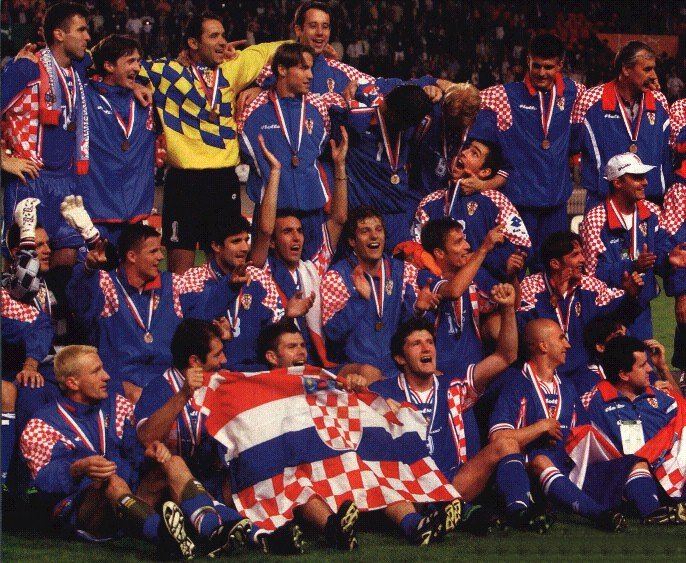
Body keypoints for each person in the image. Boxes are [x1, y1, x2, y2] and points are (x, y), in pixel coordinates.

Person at [257, 319, 463, 546]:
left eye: (302, 345)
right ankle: (334, 530)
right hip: (296, 463)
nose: (301, 351)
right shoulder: (259, 388)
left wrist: (356, 387)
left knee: (376, 469)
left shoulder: (316, 381)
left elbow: (343, 382)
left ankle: (416, 525)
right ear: (272, 357)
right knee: (297, 481)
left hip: (334, 456)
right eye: (291, 347)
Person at [370, 294, 540, 531]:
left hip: (456, 481)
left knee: (507, 444)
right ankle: (459, 513)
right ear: (400, 358)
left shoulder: (454, 386)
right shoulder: (382, 392)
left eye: (430, 342)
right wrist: (358, 386)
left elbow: (505, 356)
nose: (426, 347)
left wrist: (508, 309)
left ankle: (519, 511)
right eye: (416, 344)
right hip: (409, 486)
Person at [135, 319, 301, 555]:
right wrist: (184, 395)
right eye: (217, 354)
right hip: (161, 488)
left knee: (260, 466)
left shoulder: (219, 382)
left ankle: (270, 533)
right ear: (194, 361)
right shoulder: (159, 388)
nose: (224, 360)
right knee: (175, 465)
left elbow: (267, 378)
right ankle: (233, 533)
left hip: (208, 481)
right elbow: (146, 436)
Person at [139, 11, 284, 273]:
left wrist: (262, 84)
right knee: (180, 272)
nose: (222, 42)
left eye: (223, 36)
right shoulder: (167, 71)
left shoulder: (233, 68)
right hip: (184, 182)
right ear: (193, 43)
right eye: (214, 36)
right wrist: (134, 84)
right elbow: (112, 63)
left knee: (225, 267)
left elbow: (280, 50)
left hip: (223, 180)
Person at [19, 345, 196, 558]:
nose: (107, 376)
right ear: (73, 383)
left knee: (172, 462)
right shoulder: (42, 424)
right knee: (108, 480)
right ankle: (168, 538)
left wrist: (149, 452)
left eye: (102, 368)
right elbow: (41, 484)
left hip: (129, 502)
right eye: (96, 371)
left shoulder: (116, 404)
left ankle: (211, 528)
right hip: (83, 513)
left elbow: (133, 449)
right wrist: (76, 469)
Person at [66, 220, 243, 402]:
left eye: (160, 251)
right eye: (153, 252)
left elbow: (205, 308)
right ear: (132, 256)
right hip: (120, 385)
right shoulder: (106, 284)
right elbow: (80, 307)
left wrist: (230, 286)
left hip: (166, 382)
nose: (161, 257)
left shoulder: (173, 284)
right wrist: (88, 270)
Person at [489, 319, 626, 531]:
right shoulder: (515, 383)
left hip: (565, 467)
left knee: (632, 463)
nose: (568, 345)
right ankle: (599, 514)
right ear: (543, 346)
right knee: (541, 460)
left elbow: (583, 433)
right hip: (526, 473)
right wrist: (540, 428)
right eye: (561, 338)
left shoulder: (567, 386)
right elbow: (497, 439)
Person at [469, 33, 585, 268]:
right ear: (528, 61)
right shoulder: (503, 95)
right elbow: (467, 98)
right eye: (536, 65)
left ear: (560, 65)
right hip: (518, 205)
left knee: (553, 272)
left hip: (555, 206)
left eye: (548, 67)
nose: (541, 73)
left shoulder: (576, 93)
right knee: (514, 270)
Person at [2, 2, 91, 268]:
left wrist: (136, 86)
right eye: (81, 30)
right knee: (23, 261)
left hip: (66, 181)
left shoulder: (80, 69)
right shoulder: (26, 69)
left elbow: (116, 61)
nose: (88, 37)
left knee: (68, 257)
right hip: (30, 179)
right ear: (59, 34)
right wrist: (3, 159)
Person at [254, 125, 351, 368]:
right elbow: (264, 229)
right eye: (287, 232)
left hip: (314, 361)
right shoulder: (262, 270)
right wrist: (275, 172)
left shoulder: (313, 267)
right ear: (273, 242)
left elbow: (339, 219)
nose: (296, 237)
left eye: (299, 231)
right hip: (275, 363)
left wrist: (339, 166)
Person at [239, 42, 344, 260]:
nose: (310, 75)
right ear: (282, 69)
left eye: (311, 68)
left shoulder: (319, 107)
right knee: (267, 277)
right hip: (271, 215)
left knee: (313, 275)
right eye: (303, 68)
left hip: (312, 215)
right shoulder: (252, 107)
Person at [580, 153, 686, 340]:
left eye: (644, 176)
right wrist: (633, 265)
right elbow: (592, 274)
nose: (645, 182)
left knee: (646, 359)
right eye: (637, 177)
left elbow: (659, 254)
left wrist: (668, 258)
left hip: (640, 309)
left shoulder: (651, 212)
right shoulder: (596, 219)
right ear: (617, 183)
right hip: (610, 309)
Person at [320, 206, 437, 373]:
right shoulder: (336, 276)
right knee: (370, 373)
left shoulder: (404, 271)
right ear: (352, 241)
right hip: (354, 369)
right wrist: (359, 299)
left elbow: (410, 330)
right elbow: (333, 333)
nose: (374, 236)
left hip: (394, 366)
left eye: (378, 229)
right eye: (365, 231)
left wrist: (418, 310)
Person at [583, 336, 686, 524]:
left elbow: (683, 415)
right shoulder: (593, 403)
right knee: (635, 464)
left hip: (664, 469)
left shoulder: (659, 396)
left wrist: (663, 369)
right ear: (624, 374)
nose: (649, 370)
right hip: (621, 476)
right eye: (642, 365)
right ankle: (654, 513)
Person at [519, 230, 646, 379]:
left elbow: (618, 315)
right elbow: (525, 332)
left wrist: (630, 296)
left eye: (582, 253)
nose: (583, 260)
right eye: (575, 255)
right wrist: (554, 299)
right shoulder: (530, 287)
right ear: (555, 264)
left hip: (583, 372)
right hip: (541, 372)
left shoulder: (589, 285)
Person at [411, 138, 530, 288]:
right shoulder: (429, 203)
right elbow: (417, 250)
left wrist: (480, 258)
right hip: (443, 288)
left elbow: (522, 247)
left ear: (484, 172)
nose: (464, 153)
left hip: (487, 290)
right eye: (466, 148)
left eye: (474, 153)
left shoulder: (496, 200)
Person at [78, 34, 157, 245]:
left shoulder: (147, 98)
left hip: (137, 212)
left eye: (138, 61)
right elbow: (73, 59)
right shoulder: (84, 97)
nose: (138, 67)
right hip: (97, 213)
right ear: (108, 66)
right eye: (130, 61)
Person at [572, 41, 672, 209]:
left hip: (650, 201)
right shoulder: (590, 100)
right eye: (647, 69)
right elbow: (573, 146)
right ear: (626, 69)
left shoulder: (659, 100)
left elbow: (667, 154)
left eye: (653, 68)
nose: (653, 75)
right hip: (604, 201)